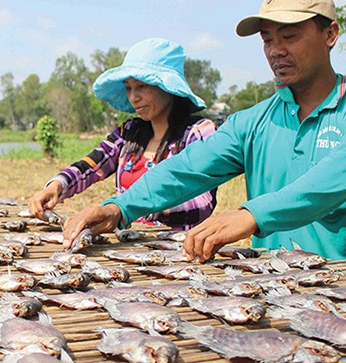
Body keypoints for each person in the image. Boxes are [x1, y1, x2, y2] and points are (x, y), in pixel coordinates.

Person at [62, 0, 346, 270]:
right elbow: (187, 168)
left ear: (330, 34)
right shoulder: (253, 121)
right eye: (268, 40)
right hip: (273, 288)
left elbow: (326, 185)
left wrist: (249, 216)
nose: (276, 51)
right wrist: (119, 207)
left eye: (290, 36)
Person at [29, 37, 217, 231]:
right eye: (128, 88)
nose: (133, 97)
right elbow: (90, 165)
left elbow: (202, 202)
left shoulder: (198, 133)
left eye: (142, 86)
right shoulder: (129, 132)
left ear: (168, 87)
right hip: (127, 246)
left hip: (177, 250)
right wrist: (57, 186)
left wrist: (126, 209)